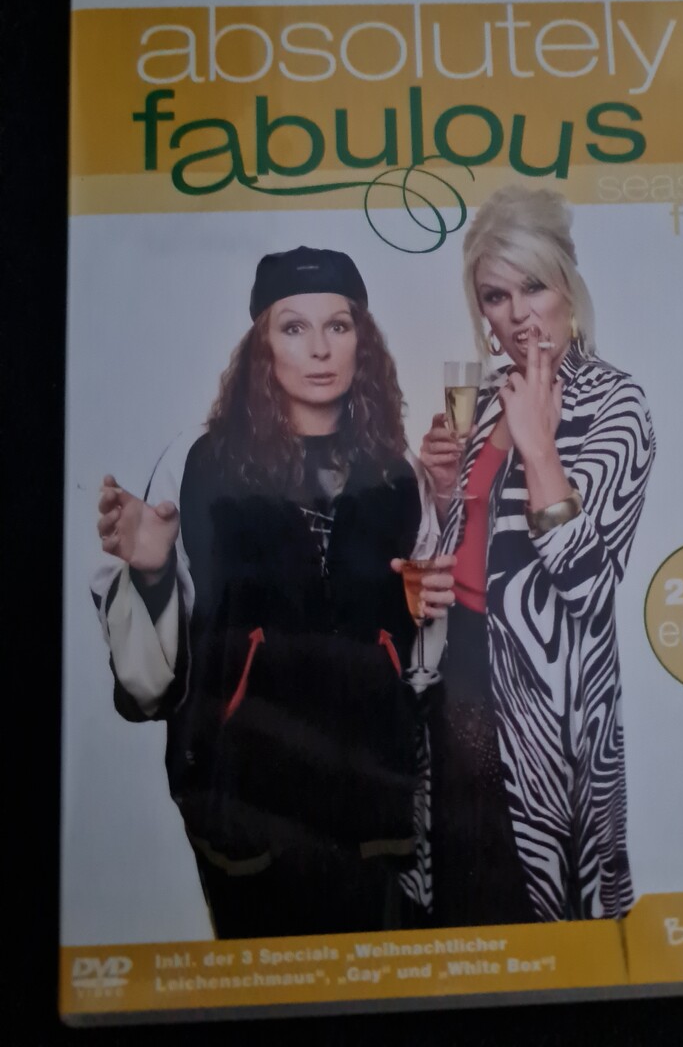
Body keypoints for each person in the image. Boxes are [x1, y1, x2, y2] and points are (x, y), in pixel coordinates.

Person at [92, 245, 455, 939]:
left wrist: (421, 611)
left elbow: (419, 660)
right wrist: (152, 573)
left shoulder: (398, 474)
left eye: (338, 326)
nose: (319, 349)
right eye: (294, 327)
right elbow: (147, 688)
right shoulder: (198, 462)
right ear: (262, 345)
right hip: (242, 801)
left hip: (369, 803)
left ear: (362, 343)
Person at [419, 187, 656, 926]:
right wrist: (442, 490)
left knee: (534, 904)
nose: (519, 313)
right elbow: (471, 548)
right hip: (453, 673)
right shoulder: (487, 397)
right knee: (455, 898)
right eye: (496, 296)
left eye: (533, 286)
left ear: (567, 288)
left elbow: (586, 586)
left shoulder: (616, 405)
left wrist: (540, 448)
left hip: (544, 703)